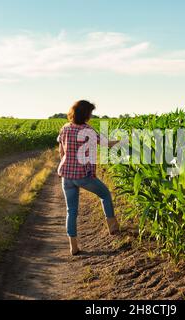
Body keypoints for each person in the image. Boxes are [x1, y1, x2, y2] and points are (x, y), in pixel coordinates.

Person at [57, 100, 120, 255]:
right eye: (90, 112)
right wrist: (121, 142)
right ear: (85, 114)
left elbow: (61, 151)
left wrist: (67, 163)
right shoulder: (87, 130)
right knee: (105, 194)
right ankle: (113, 228)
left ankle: (73, 247)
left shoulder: (65, 128)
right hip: (81, 175)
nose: (91, 115)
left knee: (71, 210)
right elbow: (104, 143)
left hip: (66, 174)